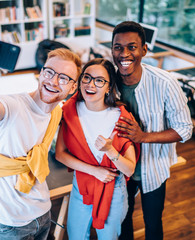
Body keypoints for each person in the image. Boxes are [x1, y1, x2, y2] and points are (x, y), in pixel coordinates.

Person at [0, 28, 82, 240]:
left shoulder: (56, 113)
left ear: (72, 87)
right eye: (49, 72)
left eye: (64, 78)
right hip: (10, 222)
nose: (53, 81)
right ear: (41, 73)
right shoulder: (12, 106)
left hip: (42, 211)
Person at [111, 21, 193, 240]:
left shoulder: (166, 83)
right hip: (119, 170)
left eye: (132, 47)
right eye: (118, 47)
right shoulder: (108, 81)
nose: (124, 53)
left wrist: (143, 137)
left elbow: (185, 129)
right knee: (122, 220)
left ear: (144, 50)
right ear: (112, 50)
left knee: (153, 223)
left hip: (153, 168)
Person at [55, 58, 140, 239]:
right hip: (81, 184)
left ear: (109, 87)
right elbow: (60, 154)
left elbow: (130, 168)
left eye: (99, 80)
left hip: (113, 188)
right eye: (87, 77)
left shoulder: (121, 117)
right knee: (76, 235)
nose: (91, 84)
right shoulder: (69, 111)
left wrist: (110, 150)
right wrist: (95, 171)